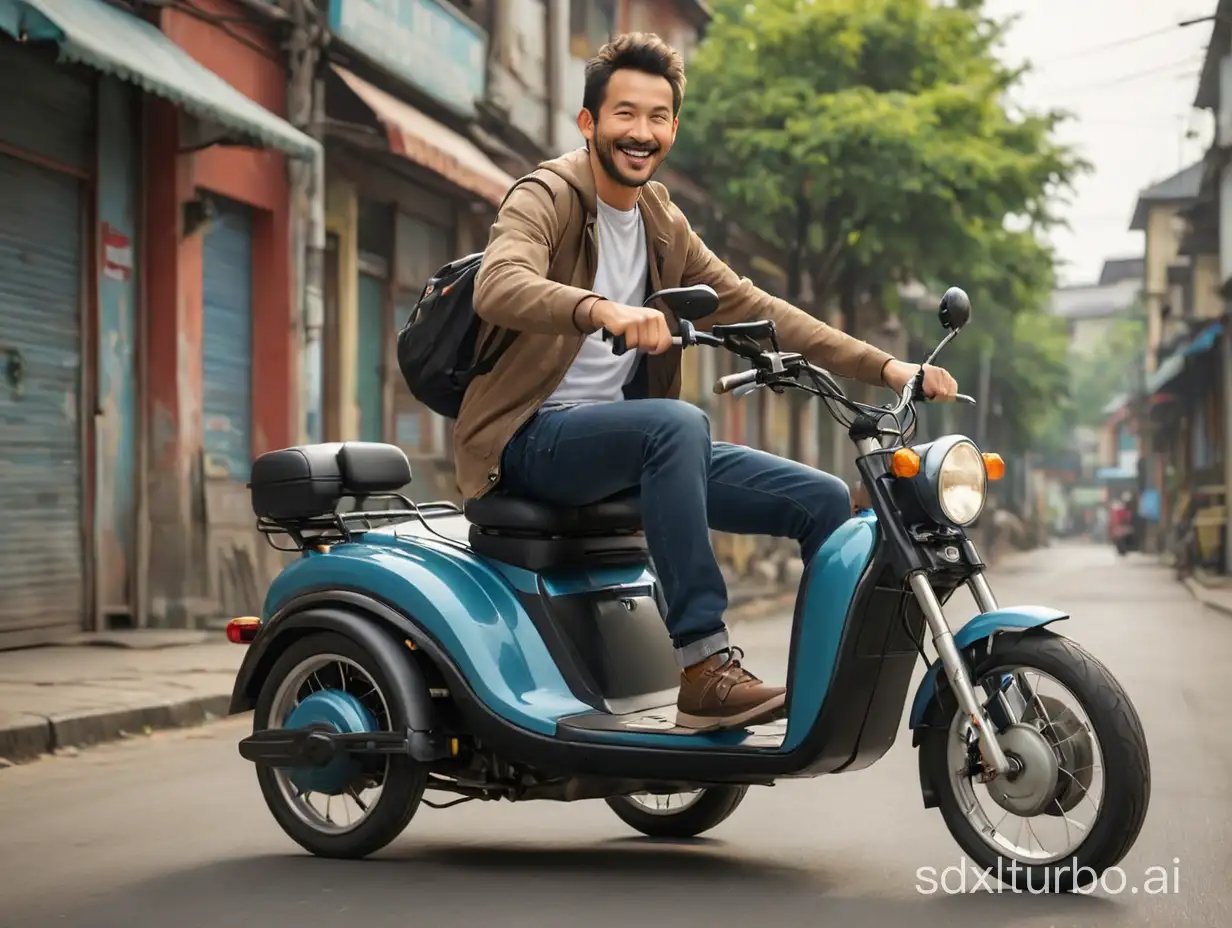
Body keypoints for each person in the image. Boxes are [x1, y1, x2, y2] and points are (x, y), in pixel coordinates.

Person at [458, 32, 960, 732]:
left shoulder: (663, 224)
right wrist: (601, 309)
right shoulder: (548, 195)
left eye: (658, 117)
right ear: (589, 123)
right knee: (677, 422)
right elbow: (500, 284)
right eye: (625, 114)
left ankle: (825, 687)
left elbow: (761, 309)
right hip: (529, 439)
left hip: (627, 449)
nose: (642, 132)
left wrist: (887, 367)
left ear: (673, 128)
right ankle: (702, 665)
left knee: (820, 501)